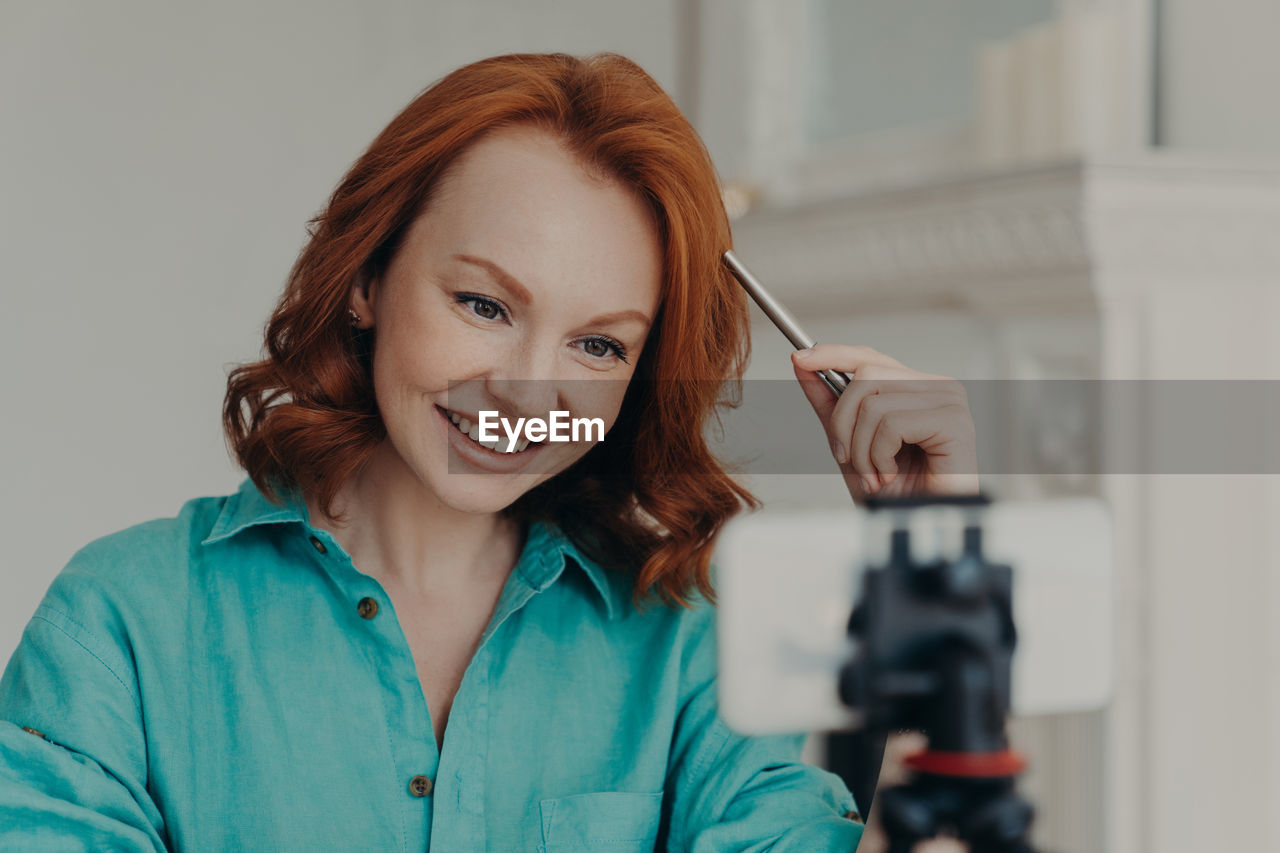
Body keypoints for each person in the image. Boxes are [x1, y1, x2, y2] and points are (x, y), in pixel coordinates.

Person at [0, 52, 978, 851]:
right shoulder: (125, 624)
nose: (524, 388)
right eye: (483, 304)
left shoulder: (686, 651)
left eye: (597, 344)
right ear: (368, 279)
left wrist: (939, 556)